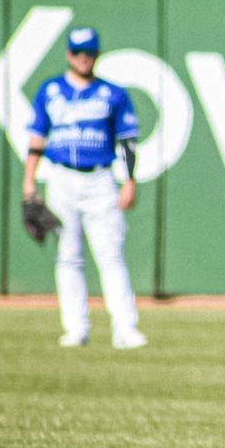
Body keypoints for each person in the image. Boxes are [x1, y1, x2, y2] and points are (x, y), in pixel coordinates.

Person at [22, 26, 147, 350]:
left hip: (100, 178)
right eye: (78, 52)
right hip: (61, 177)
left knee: (111, 254)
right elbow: (37, 138)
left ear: (97, 54)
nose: (83, 58)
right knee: (68, 257)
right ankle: (76, 329)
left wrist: (129, 180)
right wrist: (29, 181)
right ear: (68, 54)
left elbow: (127, 141)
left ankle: (125, 329)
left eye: (89, 52)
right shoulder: (50, 90)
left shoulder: (112, 94)